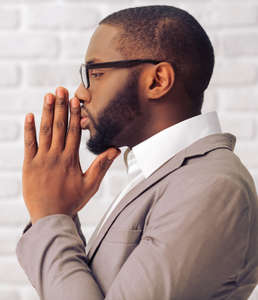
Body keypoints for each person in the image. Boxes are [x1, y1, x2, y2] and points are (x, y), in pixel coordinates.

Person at [16, 5, 258, 300]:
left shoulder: (213, 187)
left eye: (97, 73)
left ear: (158, 81)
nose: (80, 92)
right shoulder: (164, 176)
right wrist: (59, 214)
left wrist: (50, 216)